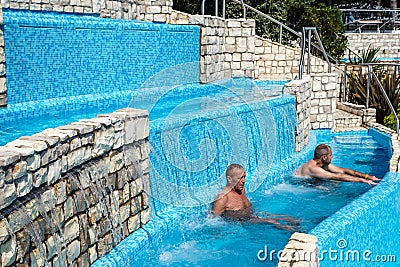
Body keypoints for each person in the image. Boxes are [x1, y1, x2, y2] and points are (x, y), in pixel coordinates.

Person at [212, 164, 299, 230]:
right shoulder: (223, 198)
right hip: (244, 222)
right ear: (229, 179)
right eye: (240, 178)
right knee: (271, 221)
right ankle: (295, 232)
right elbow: (212, 220)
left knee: (289, 218)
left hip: (252, 214)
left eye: (244, 177)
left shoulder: (241, 189)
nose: (244, 181)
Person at [296, 144, 381, 185]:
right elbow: (337, 177)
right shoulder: (313, 168)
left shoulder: (322, 164)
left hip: (309, 181)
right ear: (324, 157)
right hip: (298, 184)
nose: (332, 157)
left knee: (334, 184)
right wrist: (362, 180)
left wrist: (367, 176)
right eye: (330, 155)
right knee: (330, 188)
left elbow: (343, 170)